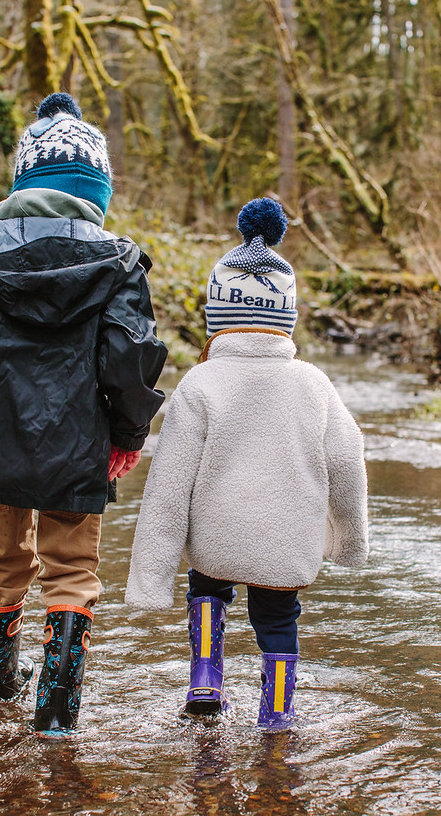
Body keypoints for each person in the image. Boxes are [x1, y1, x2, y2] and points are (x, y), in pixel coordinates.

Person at [0, 92, 167, 734]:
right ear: (97, 193)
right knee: (72, 568)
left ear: (22, 182)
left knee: (1, 558)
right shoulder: (119, 263)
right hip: (80, 444)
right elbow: (130, 358)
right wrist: (130, 434)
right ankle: (57, 714)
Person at [125, 198, 369, 729]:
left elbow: (168, 485)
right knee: (280, 616)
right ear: (287, 318)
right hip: (286, 537)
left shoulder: (201, 382)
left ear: (218, 315)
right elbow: (348, 461)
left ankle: (205, 678)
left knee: (208, 586)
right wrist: (349, 540)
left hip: (216, 536)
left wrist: (150, 577)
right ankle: (278, 711)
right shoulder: (312, 384)